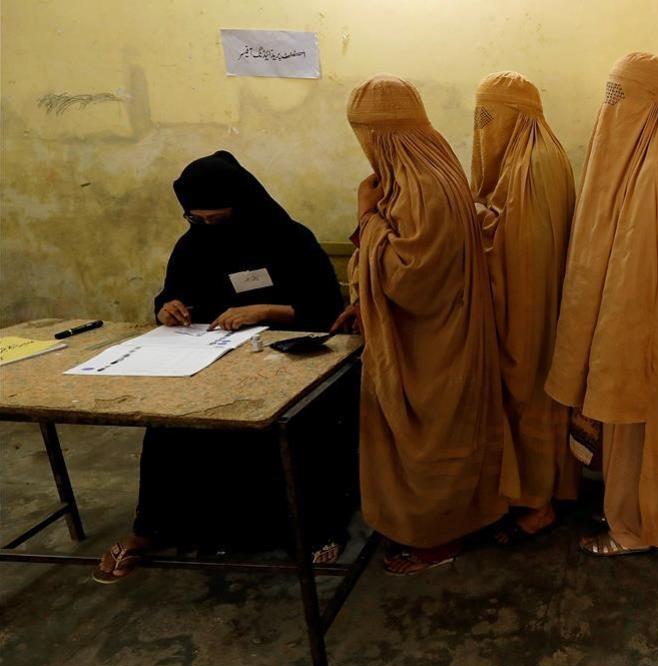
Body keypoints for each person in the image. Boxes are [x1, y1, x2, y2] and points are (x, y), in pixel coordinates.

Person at [93, 151, 353, 584]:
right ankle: (152, 528)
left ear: (243, 206)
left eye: (218, 218)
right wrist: (167, 309)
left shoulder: (289, 238)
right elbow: (171, 292)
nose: (209, 228)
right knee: (168, 422)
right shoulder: (194, 244)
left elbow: (326, 308)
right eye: (199, 220)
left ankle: (314, 527)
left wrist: (263, 310)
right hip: (209, 352)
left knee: (294, 418)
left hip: (288, 354)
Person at [337, 75, 508, 574]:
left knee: (433, 440)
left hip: (434, 348)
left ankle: (439, 536)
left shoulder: (426, 187)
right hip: (432, 335)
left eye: (366, 136)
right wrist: (363, 301)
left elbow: (412, 278)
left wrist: (366, 218)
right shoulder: (425, 173)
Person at [544, 52, 658, 556]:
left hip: (643, 334)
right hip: (633, 326)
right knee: (630, 428)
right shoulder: (643, 159)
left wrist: (608, 345)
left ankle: (636, 527)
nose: (609, 108)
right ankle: (629, 509)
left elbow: (635, 281)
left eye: (620, 96)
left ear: (651, 103)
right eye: (609, 95)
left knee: (641, 422)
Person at [469, 71, 579, 544]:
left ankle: (538, 502)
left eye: (488, 116)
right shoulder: (536, 156)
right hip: (537, 305)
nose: (481, 127)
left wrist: (471, 224)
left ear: (514, 116)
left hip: (528, 311)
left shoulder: (532, 166)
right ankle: (539, 492)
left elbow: (521, 253)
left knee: (528, 390)